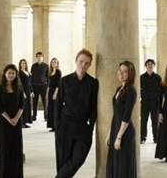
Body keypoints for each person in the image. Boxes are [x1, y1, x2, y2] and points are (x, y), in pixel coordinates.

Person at [54, 49, 99, 178]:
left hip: (82, 127)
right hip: (65, 126)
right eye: (81, 61)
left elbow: (94, 107)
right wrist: (57, 125)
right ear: (76, 61)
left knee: (78, 158)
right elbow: (57, 104)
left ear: (90, 65)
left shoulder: (93, 83)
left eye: (87, 63)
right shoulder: (65, 81)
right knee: (63, 162)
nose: (83, 65)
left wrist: (90, 128)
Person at [106, 61, 137, 178]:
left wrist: (119, 137)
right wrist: (110, 134)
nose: (121, 73)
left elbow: (126, 115)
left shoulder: (131, 90)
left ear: (130, 74)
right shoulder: (119, 89)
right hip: (116, 129)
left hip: (125, 132)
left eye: (125, 71)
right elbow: (116, 114)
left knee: (123, 164)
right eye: (120, 70)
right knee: (115, 162)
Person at [0, 64, 24, 178]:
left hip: (16, 122)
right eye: (9, 73)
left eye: (13, 73)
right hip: (4, 122)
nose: (11, 75)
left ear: (16, 74)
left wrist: (16, 119)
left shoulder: (19, 88)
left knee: (16, 148)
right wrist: (9, 119)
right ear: (5, 74)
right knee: (4, 148)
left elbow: (22, 105)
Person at [140, 59, 161, 144]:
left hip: (154, 102)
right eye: (148, 64)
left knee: (155, 120)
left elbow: (160, 90)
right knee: (144, 120)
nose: (150, 66)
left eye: (152, 64)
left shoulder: (158, 77)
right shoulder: (141, 77)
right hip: (144, 102)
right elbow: (139, 89)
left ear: (154, 66)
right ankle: (143, 137)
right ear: (146, 66)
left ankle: (156, 137)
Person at [31, 52, 49, 121]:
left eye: (40, 56)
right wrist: (31, 88)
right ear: (36, 57)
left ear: (43, 57)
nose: (39, 57)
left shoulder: (46, 66)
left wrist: (47, 87)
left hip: (43, 86)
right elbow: (31, 77)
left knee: (45, 102)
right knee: (34, 102)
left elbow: (48, 77)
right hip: (35, 86)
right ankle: (34, 116)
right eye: (38, 56)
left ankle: (46, 116)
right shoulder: (34, 66)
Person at [46, 58, 61, 132]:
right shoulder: (50, 72)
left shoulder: (58, 72)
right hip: (50, 91)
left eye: (55, 62)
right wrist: (47, 93)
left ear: (57, 63)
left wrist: (55, 93)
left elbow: (58, 84)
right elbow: (49, 84)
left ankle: (56, 126)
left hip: (55, 91)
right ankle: (52, 125)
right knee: (50, 108)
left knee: (55, 109)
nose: (54, 63)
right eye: (52, 62)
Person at [18, 59, 34, 128]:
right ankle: (22, 122)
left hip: (28, 90)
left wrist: (32, 91)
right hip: (23, 90)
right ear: (20, 64)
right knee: (23, 106)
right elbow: (19, 83)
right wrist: (22, 92)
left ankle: (25, 121)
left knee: (28, 106)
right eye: (22, 63)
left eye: (25, 63)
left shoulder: (28, 72)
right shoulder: (19, 73)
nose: (24, 64)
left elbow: (30, 83)